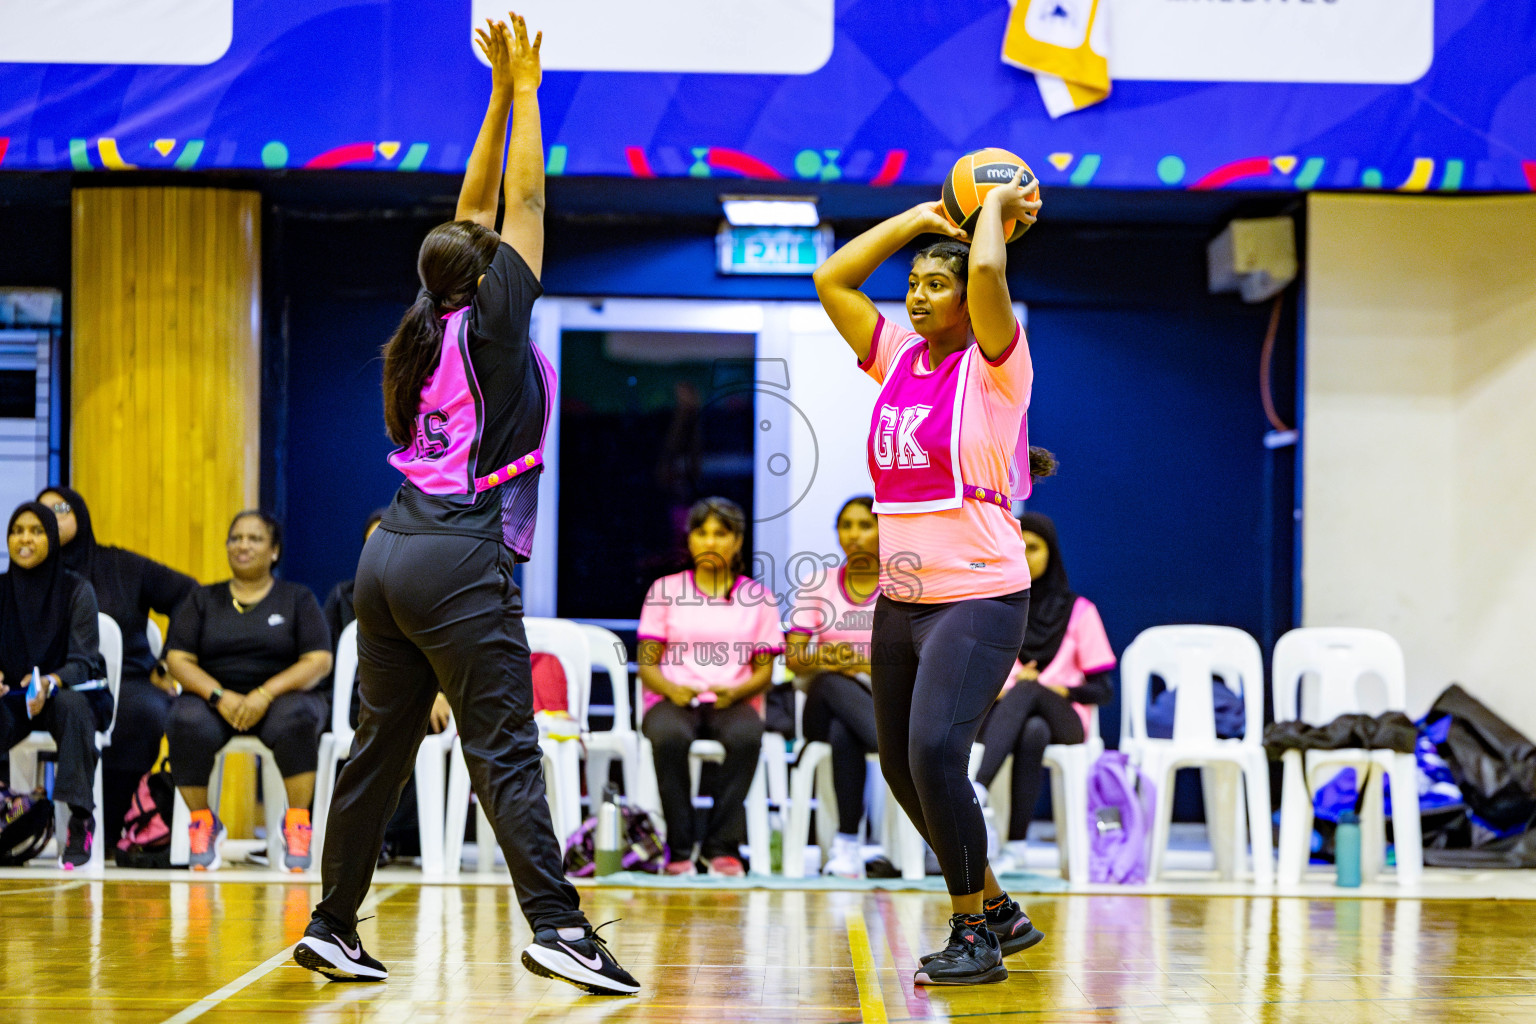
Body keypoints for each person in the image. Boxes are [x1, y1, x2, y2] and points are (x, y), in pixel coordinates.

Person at [294, 16, 640, 996]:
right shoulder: (494, 320)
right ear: (486, 274)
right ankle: (559, 927)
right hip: (460, 553)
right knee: (506, 747)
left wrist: (491, 95)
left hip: (388, 550)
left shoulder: (426, 316)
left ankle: (331, 922)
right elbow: (520, 196)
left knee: (378, 747)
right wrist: (528, 92)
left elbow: (475, 209)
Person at [813, 168, 1051, 985]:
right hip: (904, 598)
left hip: (981, 592)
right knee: (899, 764)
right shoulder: (897, 361)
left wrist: (990, 211)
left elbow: (989, 271)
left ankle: (972, 935)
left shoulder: (995, 370)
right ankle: (998, 909)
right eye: (913, 283)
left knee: (934, 751)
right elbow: (832, 277)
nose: (917, 296)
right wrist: (916, 218)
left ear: (965, 300)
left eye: (934, 284)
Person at [164, 511, 332, 873]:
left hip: (282, 699)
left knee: (298, 718)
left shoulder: (297, 598)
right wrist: (219, 696)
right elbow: (177, 659)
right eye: (236, 538)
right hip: (215, 702)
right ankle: (203, 823)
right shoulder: (201, 600)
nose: (243, 545)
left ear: (274, 551)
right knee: (183, 718)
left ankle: (297, 823)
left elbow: (318, 660)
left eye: (254, 539)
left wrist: (265, 693)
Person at [38, 486, 197, 850]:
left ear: (81, 515)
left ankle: (117, 823)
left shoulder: (123, 566)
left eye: (60, 509)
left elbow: (190, 595)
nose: (51, 518)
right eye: (41, 512)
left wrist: (169, 659)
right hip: (53, 685)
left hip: (128, 681)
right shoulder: (27, 576)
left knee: (143, 711)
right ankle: (27, 823)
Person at [637, 497, 784, 877]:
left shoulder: (759, 599)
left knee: (747, 736)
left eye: (721, 533)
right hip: (674, 697)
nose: (711, 541)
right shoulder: (664, 590)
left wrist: (736, 693)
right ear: (690, 541)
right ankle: (680, 849)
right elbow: (648, 664)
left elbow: (765, 671)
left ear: (737, 541)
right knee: (668, 736)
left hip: (733, 698)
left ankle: (722, 847)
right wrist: (671, 690)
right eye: (702, 533)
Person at [975, 512, 1115, 873]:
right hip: (1004, 719)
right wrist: (1009, 690)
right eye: (1016, 547)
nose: (1024, 556)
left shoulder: (1079, 611)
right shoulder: (994, 611)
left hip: (1065, 720)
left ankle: (978, 787)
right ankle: (1017, 846)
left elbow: (1102, 689)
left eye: (1033, 548)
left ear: (1051, 552)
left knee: (1031, 692)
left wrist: (1059, 689)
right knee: (1031, 729)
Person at [322, 509, 452, 865]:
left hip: (416, 697)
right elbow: (332, 664)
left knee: (424, 723)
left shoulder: (432, 595)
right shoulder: (343, 596)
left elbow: (444, 655)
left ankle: (399, 834)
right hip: (355, 700)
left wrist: (438, 694)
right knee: (366, 723)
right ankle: (363, 837)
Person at [0, 503, 109, 868]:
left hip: (68, 693)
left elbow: (85, 662)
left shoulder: (77, 591)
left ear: (52, 539)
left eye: (36, 531)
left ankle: (80, 818)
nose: (25, 539)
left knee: (73, 709)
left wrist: (49, 681)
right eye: (17, 530)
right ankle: (8, 809)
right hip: (15, 699)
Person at [785, 495, 882, 878]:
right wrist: (829, 659)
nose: (854, 535)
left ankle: (846, 846)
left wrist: (860, 662)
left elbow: (915, 661)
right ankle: (886, 741)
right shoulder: (818, 584)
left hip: (877, 703)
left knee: (847, 733)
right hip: (821, 705)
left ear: (883, 529)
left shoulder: (902, 587)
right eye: (846, 526)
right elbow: (793, 658)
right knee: (827, 682)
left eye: (865, 525)